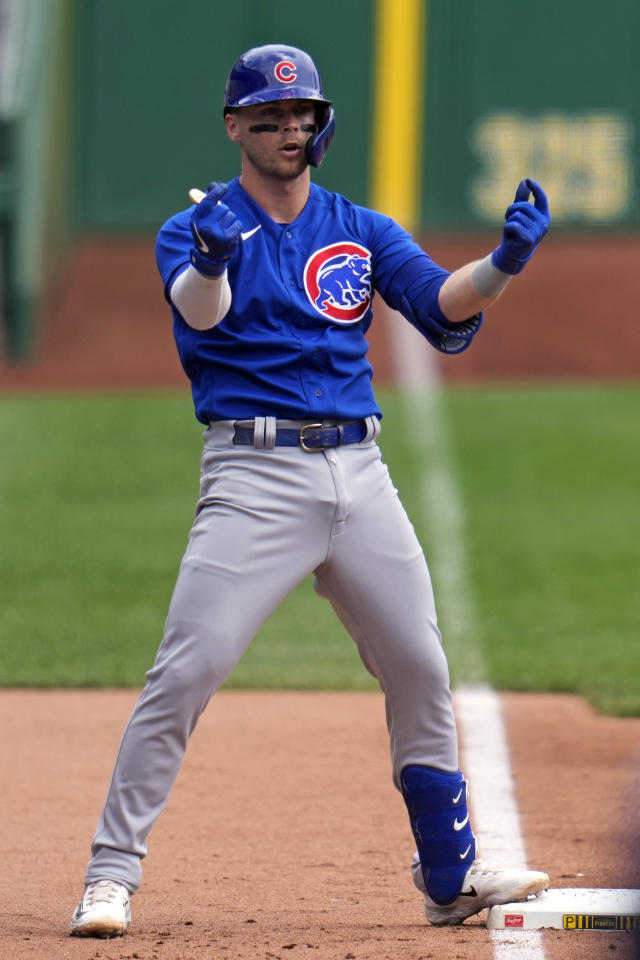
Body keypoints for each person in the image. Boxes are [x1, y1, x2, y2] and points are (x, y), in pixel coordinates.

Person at [70, 43, 551, 939]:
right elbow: (199, 312)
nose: (289, 129)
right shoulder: (196, 227)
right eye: (269, 117)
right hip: (253, 477)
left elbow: (440, 304)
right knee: (188, 670)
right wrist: (214, 260)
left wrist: (502, 264)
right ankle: (109, 875)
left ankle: (449, 874)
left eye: (302, 116)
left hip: (360, 473)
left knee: (419, 663)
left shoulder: (357, 226)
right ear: (234, 127)